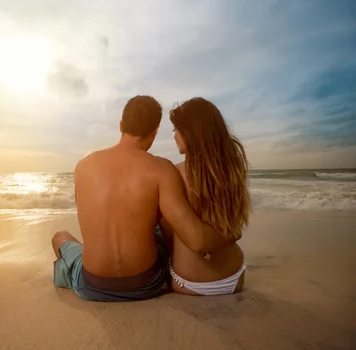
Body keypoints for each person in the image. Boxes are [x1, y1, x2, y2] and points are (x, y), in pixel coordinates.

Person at [51, 95, 226, 302]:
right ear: (154, 132)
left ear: (121, 125)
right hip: (147, 284)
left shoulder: (83, 165)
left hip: (92, 284)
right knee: (161, 225)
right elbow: (197, 240)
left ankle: (65, 272)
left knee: (60, 237)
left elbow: (92, 218)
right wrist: (232, 233)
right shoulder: (161, 169)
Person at [160, 97, 250, 296]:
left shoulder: (174, 174)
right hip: (235, 276)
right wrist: (234, 234)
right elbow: (233, 226)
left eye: (176, 130)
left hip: (188, 282)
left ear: (190, 133)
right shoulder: (233, 170)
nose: (174, 136)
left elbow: (186, 238)